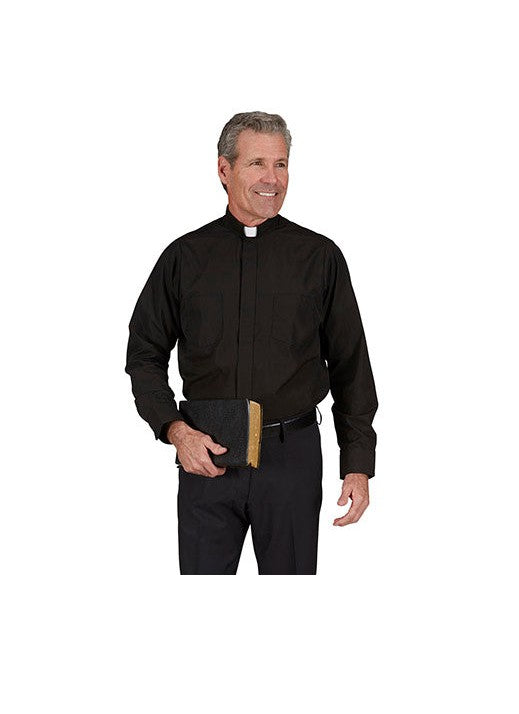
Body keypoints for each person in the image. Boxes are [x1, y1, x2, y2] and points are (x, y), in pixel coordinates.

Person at [124, 111, 378, 575]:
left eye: (281, 164)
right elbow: (144, 355)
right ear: (224, 170)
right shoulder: (184, 257)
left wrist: (357, 464)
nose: (272, 179)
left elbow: (351, 366)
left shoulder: (319, 257)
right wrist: (175, 430)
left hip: (292, 460)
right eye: (257, 163)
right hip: (206, 456)